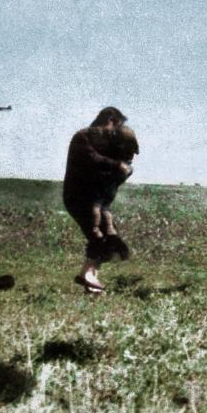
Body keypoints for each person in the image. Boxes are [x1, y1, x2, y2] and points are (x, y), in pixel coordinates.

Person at [63, 106, 138, 293]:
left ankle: (90, 278)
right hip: (80, 198)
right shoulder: (82, 137)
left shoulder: (105, 143)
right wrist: (117, 165)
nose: (115, 131)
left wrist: (123, 166)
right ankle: (87, 275)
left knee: (109, 239)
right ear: (110, 119)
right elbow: (91, 158)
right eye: (116, 125)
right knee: (98, 237)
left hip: (96, 201)